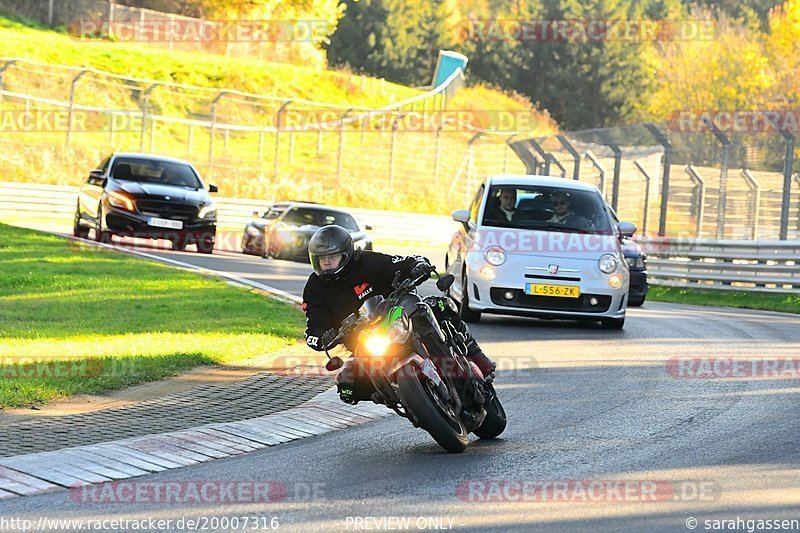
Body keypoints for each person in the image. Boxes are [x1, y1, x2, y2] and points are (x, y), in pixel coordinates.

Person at [302, 225, 496, 404]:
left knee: (440, 306)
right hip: (363, 340)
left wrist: (418, 266)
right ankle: (401, 398)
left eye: (332, 257)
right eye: (322, 258)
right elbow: (313, 326)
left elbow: (401, 262)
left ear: (345, 255)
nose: (326, 262)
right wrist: (322, 338)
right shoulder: (314, 287)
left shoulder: (367, 262)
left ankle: (478, 358)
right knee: (347, 384)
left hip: (396, 315)